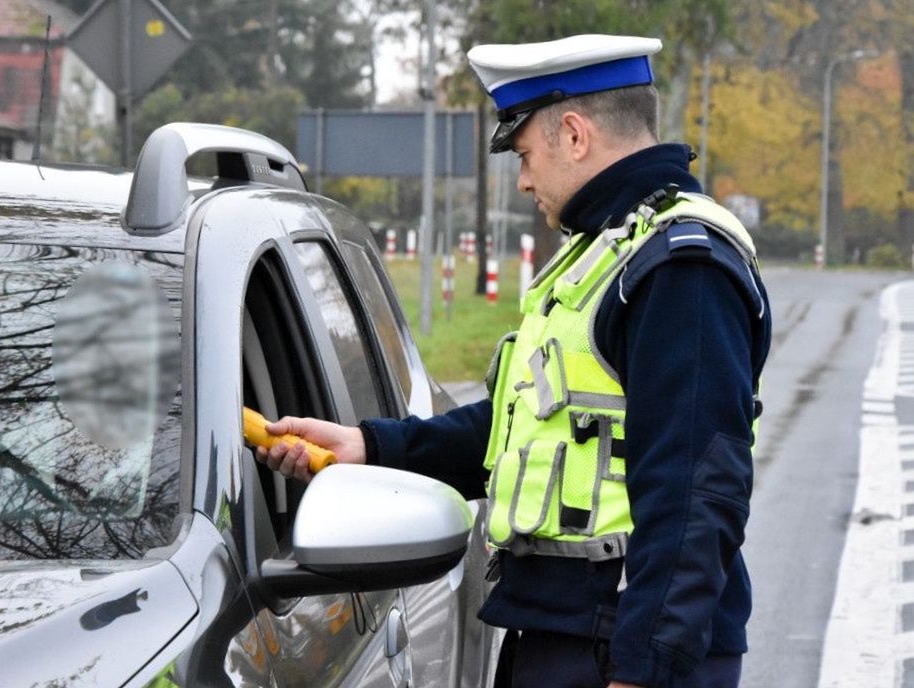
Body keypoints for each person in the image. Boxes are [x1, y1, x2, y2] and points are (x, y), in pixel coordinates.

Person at [254, 33, 771, 688]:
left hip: (621, 644)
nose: (523, 179)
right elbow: (517, 430)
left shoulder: (679, 268)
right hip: (566, 630)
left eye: (525, 155)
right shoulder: (600, 255)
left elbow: (696, 487)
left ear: (575, 135)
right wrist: (368, 447)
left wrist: (644, 670)